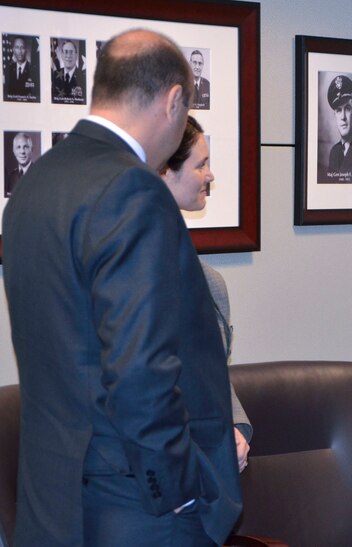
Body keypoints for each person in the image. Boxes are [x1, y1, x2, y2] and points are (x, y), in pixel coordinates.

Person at [2, 29, 241, 546]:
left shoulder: (35, 184)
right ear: (174, 100)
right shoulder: (133, 190)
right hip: (137, 507)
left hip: (51, 501)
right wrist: (180, 493)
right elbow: (140, 373)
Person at [159, 115, 252, 473]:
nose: (211, 175)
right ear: (166, 170)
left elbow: (215, 377)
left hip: (208, 474)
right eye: (201, 165)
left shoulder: (211, 283)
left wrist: (234, 428)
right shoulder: (128, 270)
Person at [324, 74, 352, 182]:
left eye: (347, 108)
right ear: (335, 115)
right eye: (339, 110)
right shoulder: (334, 152)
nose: (343, 117)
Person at [3, 36, 38, 101]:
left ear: (26, 50)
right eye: (17, 47)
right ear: (13, 50)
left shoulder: (34, 71)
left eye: (22, 47)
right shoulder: (8, 70)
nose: (20, 51)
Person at [52, 39, 86, 104]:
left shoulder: (83, 77)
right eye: (66, 52)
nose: (68, 56)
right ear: (62, 55)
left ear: (76, 55)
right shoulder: (55, 74)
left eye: (71, 52)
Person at [5, 132, 34, 196]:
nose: (22, 151)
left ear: (31, 149)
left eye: (25, 147)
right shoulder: (11, 177)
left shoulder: (39, 173)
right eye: (18, 147)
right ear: (13, 151)